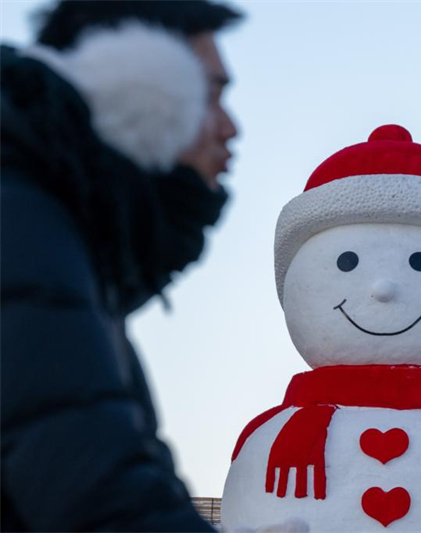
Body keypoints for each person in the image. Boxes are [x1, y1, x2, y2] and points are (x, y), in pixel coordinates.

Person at [1, 1, 242, 530]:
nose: (231, 128)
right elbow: (94, 489)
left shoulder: (63, 232)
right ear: (142, 86)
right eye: (212, 94)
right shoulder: (20, 215)